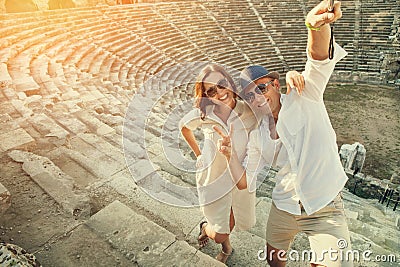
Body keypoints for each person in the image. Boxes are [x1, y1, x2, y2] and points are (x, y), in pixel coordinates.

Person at [216, 1, 353, 266]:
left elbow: (318, 59)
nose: (257, 97)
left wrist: (315, 26)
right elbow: (245, 181)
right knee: (274, 260)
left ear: (276, 84)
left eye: (262, 88)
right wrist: (230, 154)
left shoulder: (306, 95)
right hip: (284, 206)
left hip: (325, 204)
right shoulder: (258, 136)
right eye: (249, 94)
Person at [179, 64, 259, 264]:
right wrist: (199, 155)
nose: (220, 93)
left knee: (230, 222)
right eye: (211, 90)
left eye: (222, 85)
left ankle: (226, 247)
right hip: (212, 178)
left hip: (237, 178)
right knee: (220, 231)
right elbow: (184, 128)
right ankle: (207, 229)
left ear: (230, 83)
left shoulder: (248, 112)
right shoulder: (203, 114)